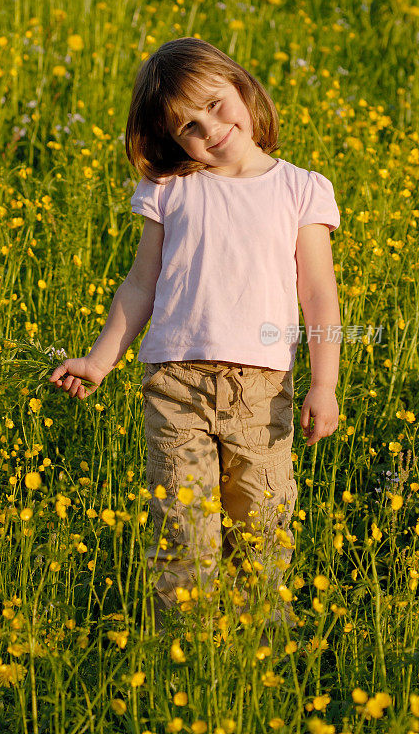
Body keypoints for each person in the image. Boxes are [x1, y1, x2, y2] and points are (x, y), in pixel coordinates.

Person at [49, 37, 341, 640]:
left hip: (261, 390)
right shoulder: (171, 188)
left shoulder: (300, 188)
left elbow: (318, 296)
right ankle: (184, 651)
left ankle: (258, 648)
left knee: (261, 525)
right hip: (176, 385)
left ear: (242, 87)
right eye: (188, 124)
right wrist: (101, 359)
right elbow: (139, 286)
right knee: (183, 528)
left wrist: (324, 383)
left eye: (215, 103)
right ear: (171, 140)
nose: (210, 128)